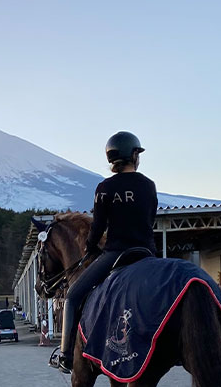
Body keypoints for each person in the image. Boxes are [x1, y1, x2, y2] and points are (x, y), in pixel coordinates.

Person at [54, 131, 158, 374]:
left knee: (73, 296)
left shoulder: (104, 188)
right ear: (134, 155)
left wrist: (90, 246)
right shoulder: (148, 185)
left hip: (117, 253)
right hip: (147, 253)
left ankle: (66, 355)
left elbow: (98, 227)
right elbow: (149, 221)